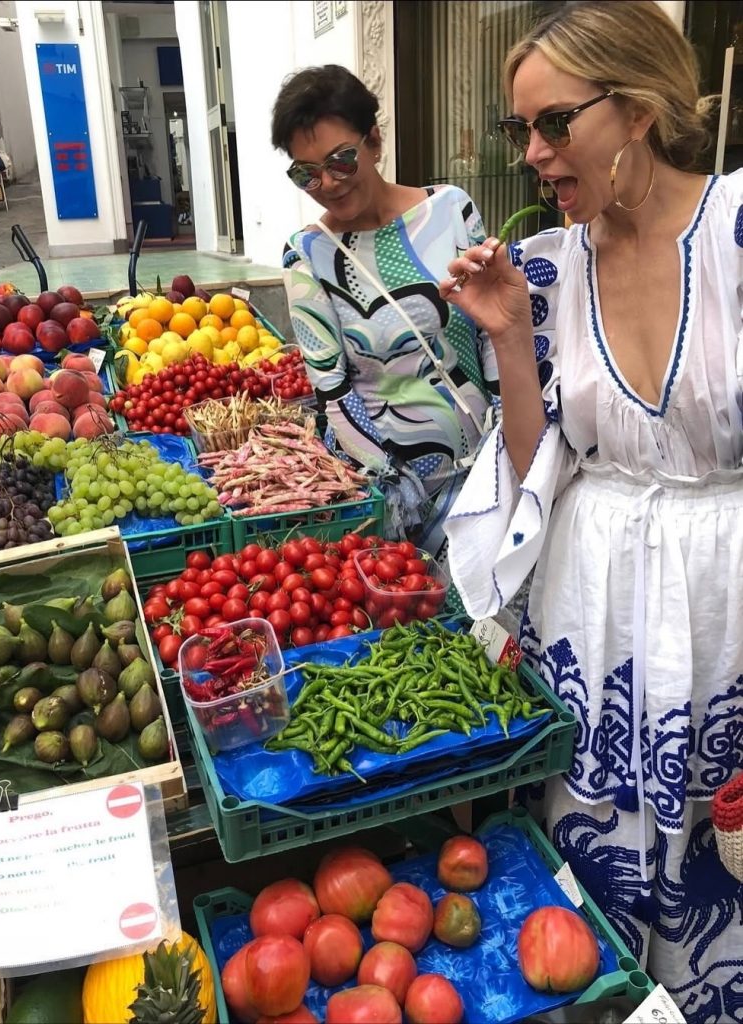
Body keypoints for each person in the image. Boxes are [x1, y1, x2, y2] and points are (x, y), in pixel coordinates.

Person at [441, 3, 742, 1019]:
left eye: (554, 124)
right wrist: (507, 345)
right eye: (522, 129)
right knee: (598, 863)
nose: (532, 154)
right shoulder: (551, 270)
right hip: (596, 605)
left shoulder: (739, 233)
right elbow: (538, 474)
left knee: (721, 852)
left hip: (724, 607)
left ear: (641, 110)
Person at [271, 64, 490, 558]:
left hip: (487, 478)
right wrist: (395, 493)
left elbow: (493, 336)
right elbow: (333, 392)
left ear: (374, 140)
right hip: (395, 505)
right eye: (306, 173)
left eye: (341, 160)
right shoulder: (307, 254)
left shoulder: (452, 211)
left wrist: (508, 444)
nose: (327, 182)